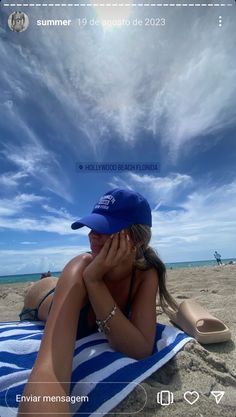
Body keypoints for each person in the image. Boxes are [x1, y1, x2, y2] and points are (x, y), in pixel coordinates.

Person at [17, 188, 177, 416]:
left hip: (72, 283)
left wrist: (95, 282)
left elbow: (140, 349)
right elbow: (49, 368)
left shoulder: (145, 274)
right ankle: (41, 281)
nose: (93, 235)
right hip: (40, 298)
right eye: (92, 227)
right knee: (46, 284)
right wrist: (89, 278)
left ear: (138, 239)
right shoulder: (80, 267)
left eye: (105, 227)